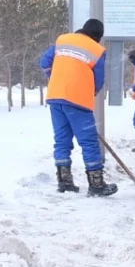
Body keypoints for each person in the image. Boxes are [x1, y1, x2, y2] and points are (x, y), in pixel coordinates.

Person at [39, 18, 118, 197]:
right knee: (88, 142)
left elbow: (44, 63)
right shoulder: (97, 50)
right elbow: (98, 80)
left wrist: (56, 79)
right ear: (97, 36)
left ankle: (64, 182)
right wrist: (90, 92)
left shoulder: (62, 40)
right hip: (77, 100)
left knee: (61, 140)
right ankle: (96, 184)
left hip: (55, 97)